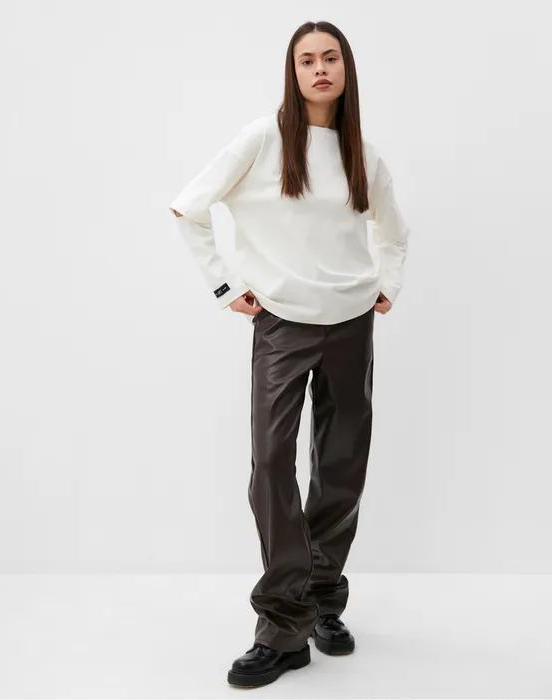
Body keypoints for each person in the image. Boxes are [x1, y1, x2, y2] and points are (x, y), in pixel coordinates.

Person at [168, 20, 410, 689]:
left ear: (346, 68)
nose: (319, 68)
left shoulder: (362, 153)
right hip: (281, 323)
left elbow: (393, 232)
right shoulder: (263, 138)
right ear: (292, 71)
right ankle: (282, 626)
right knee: (272, 465)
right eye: (307, 59)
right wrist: (225, 286)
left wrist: (386, 286)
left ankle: (322, 603)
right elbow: (189, 208)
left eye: (330, 57)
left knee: (341, 465)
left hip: (352, 325)